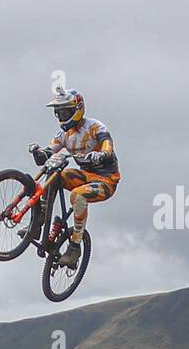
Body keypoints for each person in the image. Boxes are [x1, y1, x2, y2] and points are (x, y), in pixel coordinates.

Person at [27, 88, 120, 268]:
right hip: (84, 175)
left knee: (77, 195)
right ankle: (39, 222)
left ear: (77, 109)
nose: (61, 116)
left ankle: (75, 246)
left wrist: (102, 154)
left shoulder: (96, 127)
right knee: (54, 176)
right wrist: (39, 153)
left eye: (65, 112)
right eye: (58, 113)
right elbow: (48, 152)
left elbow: (108, 145)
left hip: (106, 180)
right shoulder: (64, 134)